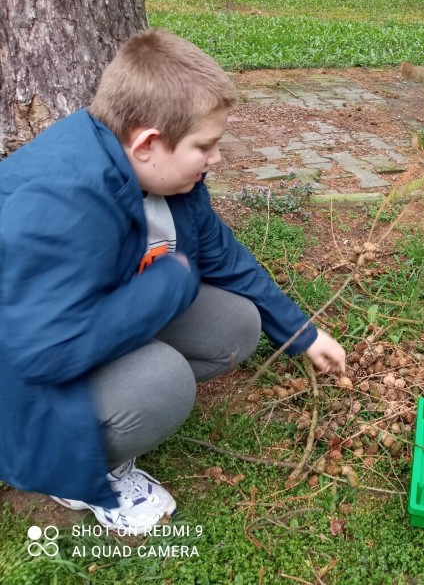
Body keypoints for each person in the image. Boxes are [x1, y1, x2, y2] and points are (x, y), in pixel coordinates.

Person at [0, 29, 346, 534]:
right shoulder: (63, 207)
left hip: (89, 317)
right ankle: (77, 472)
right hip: (21, 378)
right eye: (205, 145)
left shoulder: (170, 182)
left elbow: (223, 256)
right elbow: (40, 352)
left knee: (235, 325)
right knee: (162, 382)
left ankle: (118, 403)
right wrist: (164, 287)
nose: (217, 159)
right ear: (147, 143)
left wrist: (302, 333)